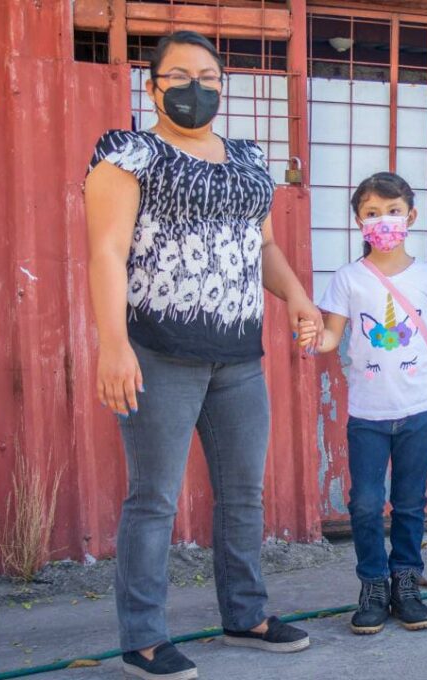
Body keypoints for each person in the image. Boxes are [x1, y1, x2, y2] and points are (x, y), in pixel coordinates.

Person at [84, 30, 318, 680]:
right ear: (153, 86)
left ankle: (246, 615)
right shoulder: (129, 153)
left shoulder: (247, 158)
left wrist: (298, 298)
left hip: (238, 354)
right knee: (153, 498)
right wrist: (113, 345)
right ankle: (144, 639)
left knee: (243, 493)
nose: (197, 88)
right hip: (159, 349)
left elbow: (262, 247)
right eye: (181, 76)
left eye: (210, 77)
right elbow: (106, 252)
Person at [297, 172, 427, 635]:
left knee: (410, 502)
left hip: (421, 410)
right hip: (368, 415)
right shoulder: (348, 278)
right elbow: (332, 337)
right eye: (372, 213)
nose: (383, 220)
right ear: (359, 222)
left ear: (411, 216)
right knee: (366, 504)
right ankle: (372, 584)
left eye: (393, 211)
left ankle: (406, 582)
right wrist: (312, 335)